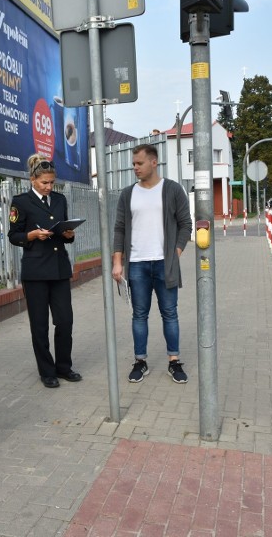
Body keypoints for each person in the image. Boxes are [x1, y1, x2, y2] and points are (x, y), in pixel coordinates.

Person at [112, 144, 193, 384]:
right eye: (133, 164)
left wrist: (176, 251)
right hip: (136, 264)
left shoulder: (172, 189)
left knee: (169, 313)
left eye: (139, 163)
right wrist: (118, 262)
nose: (135, 167)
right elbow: (119, 229)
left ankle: (174, 361)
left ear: (154, 162)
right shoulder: (128, 194)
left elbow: (185, 224)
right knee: (139, 315)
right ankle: (140, 361)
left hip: (164, 263)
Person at [8, 155, 81, 388]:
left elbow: (63, 230)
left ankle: (64, 367)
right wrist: (31, 235)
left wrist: (69, 234)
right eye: (44, 183)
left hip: (59, 268)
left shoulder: (59, 200)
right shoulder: (21, 201)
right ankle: (47, 371)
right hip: (36, 272)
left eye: (52, 183)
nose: (49, 187)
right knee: (39, 325)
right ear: (32, 180)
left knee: (65, 321)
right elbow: (14, 235)